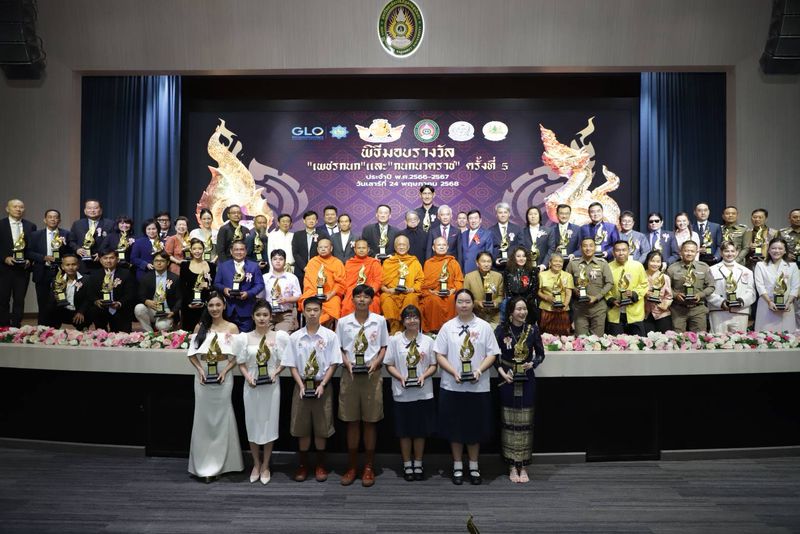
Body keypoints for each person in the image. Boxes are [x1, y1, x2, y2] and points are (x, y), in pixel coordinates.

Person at [434, 289, 500, 486]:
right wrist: (453, 372)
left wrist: (479, 370)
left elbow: (492, 353)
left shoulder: (484, 327)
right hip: (452, 386)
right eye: (460, 302)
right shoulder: (447, 327)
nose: (464, 305)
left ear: (473, 303)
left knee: (474, 427)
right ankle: (457, 465)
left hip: (477, 387)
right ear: (455, 304)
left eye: (467, 301)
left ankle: (473, 465)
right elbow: (439, 355)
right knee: (454, 428)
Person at [186, 293, 243, 482]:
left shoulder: (232, 328)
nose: (215, 308)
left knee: (222, 417)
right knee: (203, 418)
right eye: (211, 305)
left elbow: (237, 355)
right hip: (203, 377)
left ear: (224, 306)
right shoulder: (200, 327)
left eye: (218, 305)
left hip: (224, 376)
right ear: (207, 307)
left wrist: (225, 370)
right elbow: (192, 354)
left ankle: (224, 464)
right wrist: (200, 370)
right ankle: (203, 465)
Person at [284, 297, 341, 483]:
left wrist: (323, 384)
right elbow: (291, 364)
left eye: (316, 310)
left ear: (321, 311)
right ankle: (303, 465)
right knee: (302, 428)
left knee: (322, 427)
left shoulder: (330, 336)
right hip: (301, 386)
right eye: (308, 310)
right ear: (303, 311)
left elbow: (334, 363)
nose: (312, 313)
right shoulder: (295, 337)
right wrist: (300, 385)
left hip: (321, 386)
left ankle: (320, 465)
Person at [337, 285, 389, 487]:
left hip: (371, 375)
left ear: (371, 300)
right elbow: (339, 348)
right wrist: (347, 363)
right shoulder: (343, 322)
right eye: (357, 296)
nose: (361, 299)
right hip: (350, 375)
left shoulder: (379, 321)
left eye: (365, 297)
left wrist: (377, 362)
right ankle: (351, 466)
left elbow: (383, 346)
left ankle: (368, 466)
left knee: (370, 421)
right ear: (352, 300)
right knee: (351, 421)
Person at [237, 300, 289, 485]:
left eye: (265, 315)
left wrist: (276, 372)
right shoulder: (244, 338)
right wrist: (247, 377)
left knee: (269, 424)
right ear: (253, 317)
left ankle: (266, 464)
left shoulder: (279, 337)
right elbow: (241, 363)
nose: (262, 318)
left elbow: (284, 360)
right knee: (252, 424)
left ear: (270, 317)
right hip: (251, 386)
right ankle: (256, 464)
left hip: (271, 386)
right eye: (258, 315)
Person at [494, 296, 545, 484]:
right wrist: (501, 373)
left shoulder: (532, 330)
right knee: (509, 421)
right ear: (511, 312)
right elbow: (494, 356)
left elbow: (541, 354)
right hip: (507, 379)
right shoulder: (501, 330)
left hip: (527, 379)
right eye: (518, 309)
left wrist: (533, 363)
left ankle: (523, 465)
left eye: (524, 309)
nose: (522, 312)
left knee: (525, 421)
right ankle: (511, 465)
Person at [384, 304, 437, 482]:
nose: (412, 320)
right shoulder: (395, 341)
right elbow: (389, 364)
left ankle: (418, 463)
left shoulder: (428, 341)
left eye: (415, 317)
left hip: (423, 392)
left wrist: (423, 376)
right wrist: (400, 377)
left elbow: (433, 365)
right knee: (404, 431)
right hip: (402, 393)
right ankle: (407, 463)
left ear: (420, 320)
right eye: (408, 317)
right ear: (403, 321)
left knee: (420, 430)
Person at [27, 209, 70, 326]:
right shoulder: (35, 235)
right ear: (45, 220)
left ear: (59, 220)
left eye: (55, 217)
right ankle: (42, 329)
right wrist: (44, 257)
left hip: (60, 272)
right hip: (42, 272)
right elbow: (29, 252)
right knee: (42, 302)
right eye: (50, 217)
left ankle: (55, 329)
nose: (53, 219)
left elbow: (70, 252)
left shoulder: (66, 234)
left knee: (58, 301)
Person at [213, 240, 265, 332]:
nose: (239, 252)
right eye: (236, 249)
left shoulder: (254, 266)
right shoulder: (223, 266)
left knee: (245, 338)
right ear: (231, 251)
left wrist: (248, 293)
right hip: (228, 310)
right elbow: (216, 283)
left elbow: (260, 284)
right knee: (228, 338)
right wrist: (224, 289)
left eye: (241, 249)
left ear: (246, 251)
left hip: (246, 309)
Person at [0, 199, 36, 327]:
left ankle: (16, 326)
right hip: (3, 269)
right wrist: (4, 258)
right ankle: (3, 327)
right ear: (7, 209)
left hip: (22, 269)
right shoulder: (1, 224)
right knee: (3, 299)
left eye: (21, 207)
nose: (18, 209)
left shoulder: (30, 226)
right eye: (15, 206)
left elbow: (33, 247)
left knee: (19, 300)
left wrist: (30, 260)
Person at [566, 237, 613, 336]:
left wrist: (597, 297)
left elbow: (609, 283)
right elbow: (567, 282)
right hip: (580, 308)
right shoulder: (573, 264)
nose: (588, 248)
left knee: (597, 340)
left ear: (595, 248)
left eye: (591, 246)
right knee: (580, 340)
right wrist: (574, 290)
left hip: (598, 308)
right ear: (580, 248)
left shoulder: (603, 263)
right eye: (585, 246)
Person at [81, 248, 135, 332]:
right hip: (102, 309)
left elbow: (130, 294)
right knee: (94, 311)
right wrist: (96, 301)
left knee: (123, 336)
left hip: (120, 309)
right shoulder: (95, 274)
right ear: (100, 260)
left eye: (111, 258)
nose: (108, 261)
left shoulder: (126, 273)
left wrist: (119, 303)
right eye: (105, 258)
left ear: (117, 259)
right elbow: (90, 293)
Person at [708, 241, 757, 333]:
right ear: (721, 253)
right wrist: (721, 302)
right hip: (719, 311)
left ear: (737, 252)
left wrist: (742, 301)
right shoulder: (711, 270)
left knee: (739, 339)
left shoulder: (747, 271)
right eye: (726, 251)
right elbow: (708, 291)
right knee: (717, 339)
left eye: (732, 251)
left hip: (740, 312)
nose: (730, 254)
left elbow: (751, 293)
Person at [666, 241, 714, 333]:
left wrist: (700, 294)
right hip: (678, 310)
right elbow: (666, 288)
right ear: (680, 252)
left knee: (700, 338)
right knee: (677, 338)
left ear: (696, 252)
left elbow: (711, 286)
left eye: (692, 251)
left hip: (698, 309)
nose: (689, 253)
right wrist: (675, 295)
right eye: (686, 251)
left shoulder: (703, 267)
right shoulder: (672, 268)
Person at [754, 237, 800, 332]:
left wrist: (788, 303)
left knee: (787, 336)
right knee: (764, 336)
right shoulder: (760, 265)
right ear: (769, 250)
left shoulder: (792, 266)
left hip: (786, 306)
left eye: (780, 248)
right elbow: (760, 286)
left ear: (785, 251)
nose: (777, 251)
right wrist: (769, 302)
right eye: (773, 248)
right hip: (766, 305)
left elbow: (795, 287)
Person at [380, 235, 424, 334]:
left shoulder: (414, 262)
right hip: (392, 293)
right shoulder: (388, 262)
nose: (401, 247)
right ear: (395, 247)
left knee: (411, 298)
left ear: (408, 247)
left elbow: (420, 281)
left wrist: (412, 289)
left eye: (404, 245)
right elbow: (381, 283)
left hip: (408, 293)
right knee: (385, 298)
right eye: (399, 245)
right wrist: (388, 290)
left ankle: (407, 328)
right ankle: (394, 328)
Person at [298, 238, 346, 328]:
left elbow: (340, 283)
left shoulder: (337, 263)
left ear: (331, 248)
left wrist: (330, 294)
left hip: (330, 295)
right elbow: (308, 282)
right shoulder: (312, 262)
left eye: (325, 247)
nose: (323, 249)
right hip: (313, 293)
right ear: (317, 249)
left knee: (335, 303)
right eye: (320, 247)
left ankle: (325, 328)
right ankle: (313, 327)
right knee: (307, 301)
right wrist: (315, 295)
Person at [420, 236, 463, 333]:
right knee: (433, 300)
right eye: (439, 245)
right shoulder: (428, 263)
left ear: (447, 247)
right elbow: (425, 284)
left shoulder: (453, 262)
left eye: (444, 245)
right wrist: (431, 291)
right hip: (434, 293)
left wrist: (453, 290)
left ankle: (452, 329)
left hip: (450, 292)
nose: (441, 247)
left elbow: (459, 280)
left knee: (452, 299)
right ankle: (434, 329)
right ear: (433, 248)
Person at [605, 240, 649, 336]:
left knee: (639, 343)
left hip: (635, 312)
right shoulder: (608, 267)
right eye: (618, 250)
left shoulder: (638, 266)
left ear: (629, 251)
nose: (621, 253)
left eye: (624, 250)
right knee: (615, 343)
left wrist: (634, 293)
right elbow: (604, 287)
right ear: (613, 252)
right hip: (615, 312)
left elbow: (644, 284)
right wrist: (611, 300)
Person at [134, 251, 180, 332]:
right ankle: (149, 332)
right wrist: (146, 301)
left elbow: (180, 298)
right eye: (156, 261)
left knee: (162, 326)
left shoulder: (175, 278)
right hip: (152, 308)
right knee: (139, 308)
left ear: (168, 263)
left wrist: (173, 312)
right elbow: (140, 295)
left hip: (167, 310)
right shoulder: (146, 278)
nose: (159, 263)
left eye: (162, 261)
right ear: (153, 262)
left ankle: (167, 328)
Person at [68, 199, 114, 274]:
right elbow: (71, 241)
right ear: (85, 211)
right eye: (89, 208)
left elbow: (113, 243)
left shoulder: (110, 224)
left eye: (95, 208)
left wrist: (102, 253)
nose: (92, 210)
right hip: (82, 263)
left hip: (102, 263)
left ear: (101, 210)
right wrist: (77, 249)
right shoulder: (77, 224)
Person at [180, 238, 216, 333]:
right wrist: (189, 303)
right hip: (189, 304)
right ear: (190, 250)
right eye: (194, 249)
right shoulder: (184, 265)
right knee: (189, 333)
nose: (197, 251)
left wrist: (208, 286)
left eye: (200, 248)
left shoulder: (211, 266)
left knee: (206, 332)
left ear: (203, 250)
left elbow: (215, 285)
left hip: (207, 304)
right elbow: (182, 287)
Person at [42, 253, 86, 329]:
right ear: (62, 266)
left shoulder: (86, 279)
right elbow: (51, 300)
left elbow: (88, 298)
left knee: (91, 311)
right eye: (67, 265)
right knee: (49, 309)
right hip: (63, 311)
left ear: (78, 265)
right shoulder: (57, 280)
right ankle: (51, 331)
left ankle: (85, 328)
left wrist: (81, 311)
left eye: (73, 264)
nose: (71, 267)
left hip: (79, 312)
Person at [262, 249, 302, 332]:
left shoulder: (292, 278)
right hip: (267, 314)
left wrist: (286, 300)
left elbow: (298, 296)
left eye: (281, 259)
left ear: (285, 261)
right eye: (275, 259)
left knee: (282, 337)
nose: (278, 261)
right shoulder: (264, 278)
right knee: (266, 337)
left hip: (285, 314)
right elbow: (260, 297)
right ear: (271, 261)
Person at [341, 239, 382, 317]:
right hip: (353, 292)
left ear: (368, 249)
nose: (361, 250)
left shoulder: (374, 263)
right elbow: (346, 281)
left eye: (364, 248)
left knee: (374, 302)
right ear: (355, 250)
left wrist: (370, 292)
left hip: (370, 291)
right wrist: (353, 292)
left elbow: (378, 281)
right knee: (347, 303)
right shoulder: (349, 263)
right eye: (359, 248)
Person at [463, 251, 504, 330]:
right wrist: (477, 303)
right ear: (477, 263)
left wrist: (496, 303)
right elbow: (466, 298)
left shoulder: (498, 276)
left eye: (489, 261)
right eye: (483, 261)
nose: (486, 264)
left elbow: (501, 296)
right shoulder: (469, 277)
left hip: (494, 316)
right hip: (476, 316)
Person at [537, 253, 573, 335]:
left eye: (560, 261)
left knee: (563, 336)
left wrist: (564, 307)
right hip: (547, 310)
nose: (558, 263)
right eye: (555, 261)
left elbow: (568, 293)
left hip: (563, 311)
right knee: (546, 336)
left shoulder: (568, 276)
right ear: (550, 263)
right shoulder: (542, 275)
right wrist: (546, 297)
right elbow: (538, 292)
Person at [502, 246, 538, 324]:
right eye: (518, 256)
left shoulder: (533, 271)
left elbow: (534, 290)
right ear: (514, 258)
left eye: (524, 256)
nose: (521, 258)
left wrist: (523, 302)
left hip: (528, 303)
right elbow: (507, 289)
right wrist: (516, 302)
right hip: (512, 302)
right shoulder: (508, 271)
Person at [642, 250, 673, 333]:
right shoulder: (641, 275)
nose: (655, 264)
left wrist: (664, 305)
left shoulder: (665, 277)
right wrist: (644, 294)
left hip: (662, 314)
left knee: (664, 339)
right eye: (652, 261)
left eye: (658, 261)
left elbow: (669, 296)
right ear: (647, 261)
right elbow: (637, 291)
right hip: (645, 314)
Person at [489, 202, 523, 270]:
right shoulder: (490, 231)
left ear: (509, 214)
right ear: (496, 214)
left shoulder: (517, 229)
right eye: (500, 213)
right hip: (497, 267)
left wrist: (514, 259)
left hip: (513, 266)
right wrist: (494, 260)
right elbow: (489, 249)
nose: (503, 215)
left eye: (505, 212)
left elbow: (521, 246)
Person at [460, 209, 494, 275]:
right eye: (471, 218)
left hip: (479, 271)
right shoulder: (463, 234)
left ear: (480, 220)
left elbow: (489, 254)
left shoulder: (487, 234)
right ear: (467, 221)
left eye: (475, 218)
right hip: (463, 271)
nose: (473, 221)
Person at [519, 206, 551, 271]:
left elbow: (551, 249)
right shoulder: (522, 231)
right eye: (530, 214)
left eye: (535, 214)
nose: (533, 216)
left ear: (539, 216)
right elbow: (520, 248)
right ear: (527, 217)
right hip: (526, 267)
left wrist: (544, 264)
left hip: (544, 267)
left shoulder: (548, 231)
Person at [291, 210, 320, 281]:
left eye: (313, 219)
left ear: (317, 221)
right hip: (300, 270)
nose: (311, 221)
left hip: (317, 269)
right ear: (304, 221)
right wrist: (304, 267)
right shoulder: (297, 235)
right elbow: (295, 253)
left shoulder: (322, 234)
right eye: (309, 219)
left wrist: (314, 266)